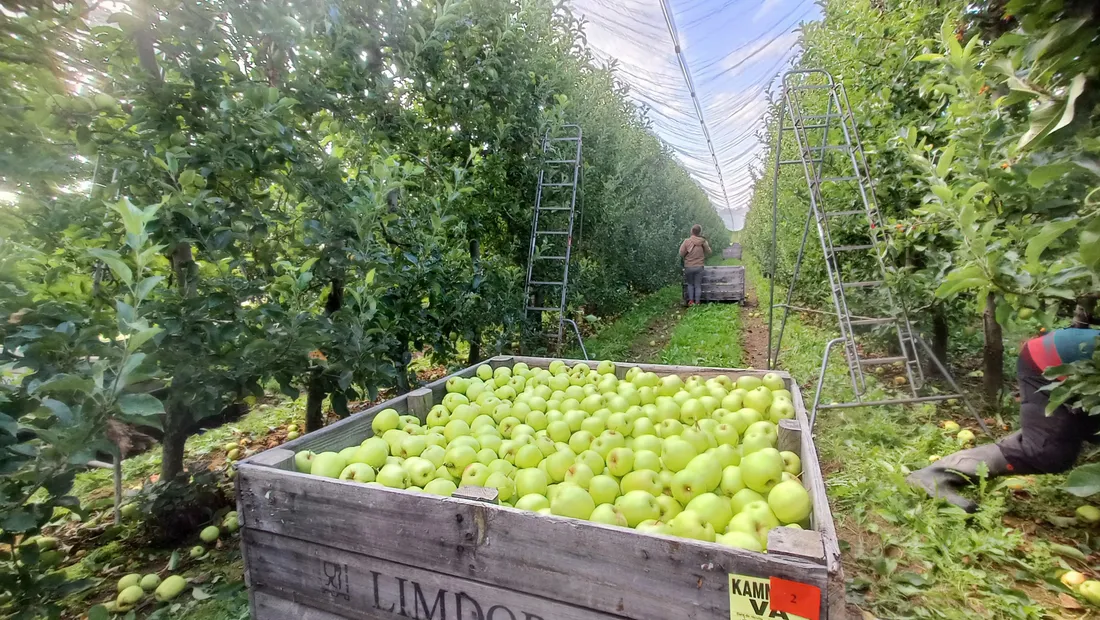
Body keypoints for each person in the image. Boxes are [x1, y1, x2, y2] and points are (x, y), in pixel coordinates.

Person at [908, 296, 1099, 512]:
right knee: (1046, 451)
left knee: (1075, 434)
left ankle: (1040, 434)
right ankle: (934, 476)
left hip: (1074, 362)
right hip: (1047, 360)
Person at [679, 225, 712, 306]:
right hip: (699, 267)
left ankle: (691, 301)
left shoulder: (686, 241)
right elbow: (709, 252)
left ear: (691, 231)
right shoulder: (703, 242)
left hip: (688, 267)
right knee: (698, 285)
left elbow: (681, 253)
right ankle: (697, 302)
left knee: (690, 284)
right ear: (700, 232)